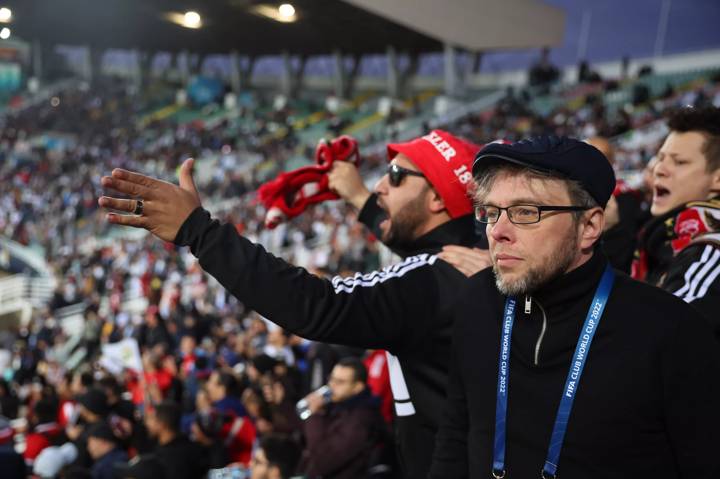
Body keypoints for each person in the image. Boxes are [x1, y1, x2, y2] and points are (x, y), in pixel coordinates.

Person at [98, 130, 490, 478]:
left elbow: (318, 304)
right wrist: (355, 196)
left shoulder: (433, 278)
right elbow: (424, 243)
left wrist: (200, 232)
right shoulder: (473, 256)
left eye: (397, 176)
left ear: (439, 198)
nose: (380, 186)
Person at [429, 136, 720, 478]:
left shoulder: (669, 330)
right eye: (491, 212)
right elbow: (454, 437)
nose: (498, 231)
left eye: (525, 212)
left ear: (589, 227)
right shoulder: (476, 301)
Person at [632, 106, 720, 334]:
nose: (660, 169)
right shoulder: (661, 243)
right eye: (660, 158)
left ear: (718, 179)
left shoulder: (711, 251)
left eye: (679, 162)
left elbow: (658, 337)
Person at [300, 358, 387, 478]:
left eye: (340, 382)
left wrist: (316, 415)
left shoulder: (361, 419)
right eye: (331, 379)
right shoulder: (338, 406)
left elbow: (324, 462)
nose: (331, 386)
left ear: (358, 387)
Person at [144, 401, 209, 479]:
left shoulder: (171, 459)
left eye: (151, 419)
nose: (146, 423)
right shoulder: (191, 446)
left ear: (162, 424)